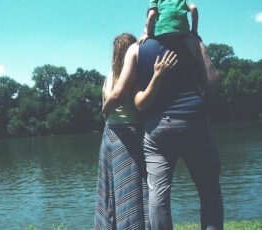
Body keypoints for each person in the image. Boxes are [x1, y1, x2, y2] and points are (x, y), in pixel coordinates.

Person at [102, 33, 223, 230]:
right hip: (196, 121)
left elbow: (138, 104)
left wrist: (105, 110)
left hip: (158, 128)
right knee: (209, 190)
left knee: (158, 195)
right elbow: (214, 83)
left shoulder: (137, 49)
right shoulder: (192, 41)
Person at [95, 33, 177, 230]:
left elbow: (109, 100)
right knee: (130, 190)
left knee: (112, 191)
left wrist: (104, 112)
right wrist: (157, 76)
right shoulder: (134, 76)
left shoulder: (108, 75)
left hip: (109, 136)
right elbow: (132, 101)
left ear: (114, 53)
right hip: (129, 135)